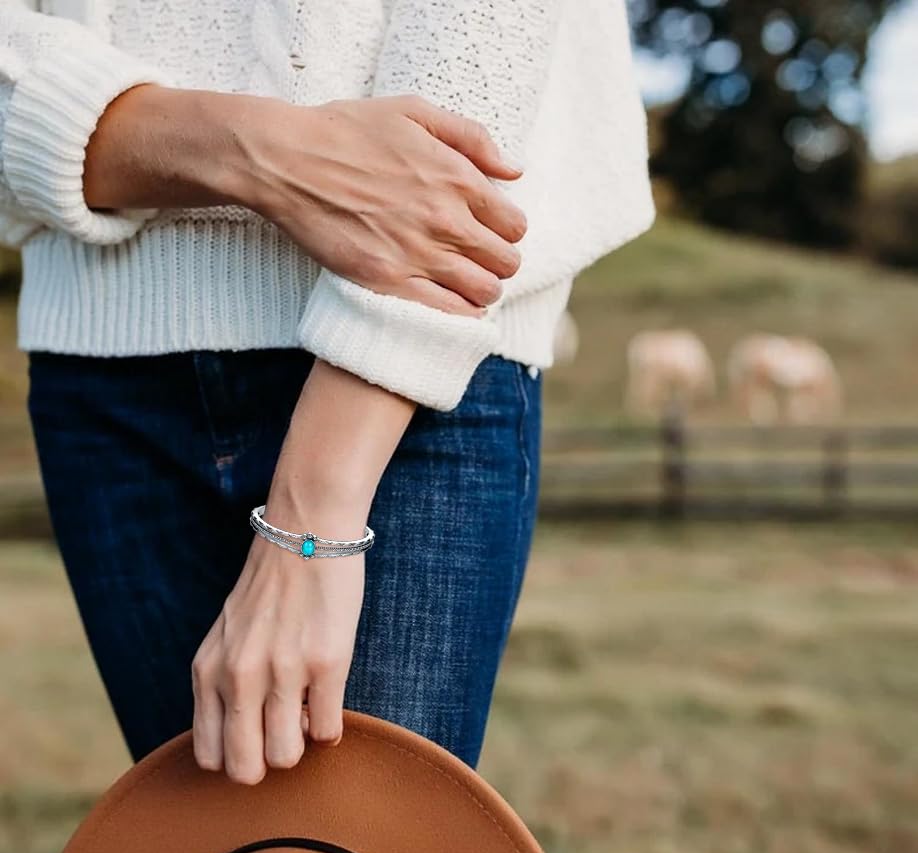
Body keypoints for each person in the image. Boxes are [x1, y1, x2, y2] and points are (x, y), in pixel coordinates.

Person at [1, 0, 655, 784]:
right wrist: (264, 152)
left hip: (411, 370)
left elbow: (479, 55)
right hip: (100, 370)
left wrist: (309, 521)